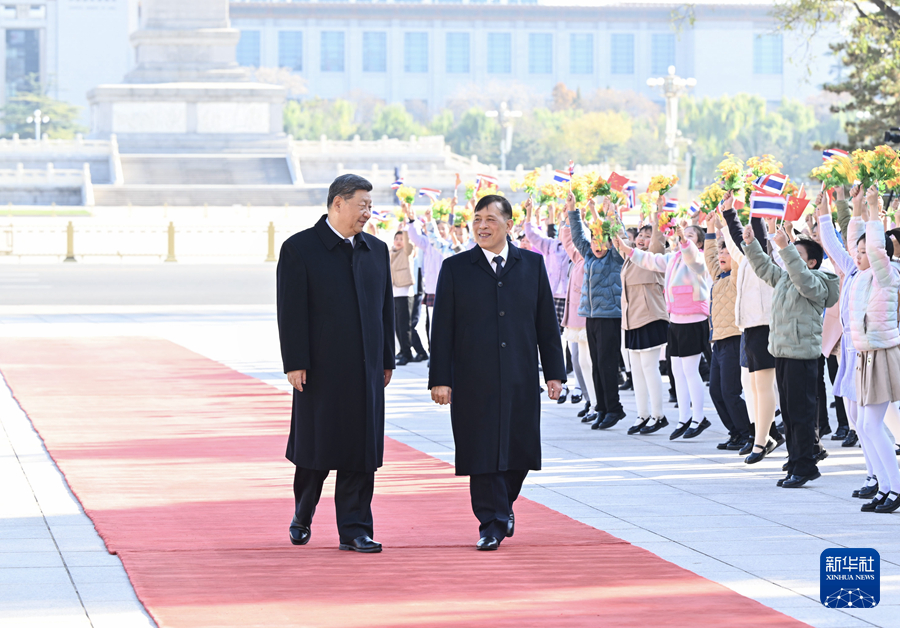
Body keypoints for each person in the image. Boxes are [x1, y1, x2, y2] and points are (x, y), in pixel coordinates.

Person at [428, 194, 566, 551]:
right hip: (472, 378)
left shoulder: (532, 265)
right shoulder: (456, 268)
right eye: (477, 219)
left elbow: (546, 324)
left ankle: (503, 505)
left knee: (521, 450)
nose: (482, 226)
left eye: (490, 219)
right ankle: (491, 523)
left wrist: (554, 373)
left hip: (521, 375)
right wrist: (440, 379)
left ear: (509, 224)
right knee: (481, 451)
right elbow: (441, 329)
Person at [276, 174, 395, 553]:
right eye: (362, 205)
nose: (367, 213)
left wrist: (386, 359)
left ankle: (355, 529)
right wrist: (295, 362)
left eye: (370, 206)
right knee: (317, 450)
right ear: (338, 203)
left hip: (366, 369)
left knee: (361, 451)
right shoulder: (300, 249)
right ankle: (303, 512)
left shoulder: (376, 250)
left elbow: (386, 309)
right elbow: (290, 312)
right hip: (320, 370)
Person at [742, 220, 839, 488]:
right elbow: (764, 268)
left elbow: (804, 281)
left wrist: (785, 247)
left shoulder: (817, 280)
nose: (789, 256)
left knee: (801, 415)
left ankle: (806, 466)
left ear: (811, 262)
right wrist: (751, 244)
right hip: (782, 352)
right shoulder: (787, 277)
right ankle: (795, 462)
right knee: (788, 415)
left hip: (802, 355)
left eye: (796, 253)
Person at [625, 201, 712, 440]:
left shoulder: (699, 258)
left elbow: (690, 254)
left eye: (691, 235)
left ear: (699, 243)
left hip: (693, 319)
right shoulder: (673, 258)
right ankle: (684, 418)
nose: (684, 237)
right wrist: (626, 249)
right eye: (683, 234)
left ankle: (699, 417)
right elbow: (650, 260)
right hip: (675, 320)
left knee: (690, 370)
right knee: (677, 371)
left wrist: (683, 238)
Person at [719, 196, 783, 462]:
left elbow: (759, 235)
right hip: (749, 328)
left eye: (752, 234)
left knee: (764, 386)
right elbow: (737, 238)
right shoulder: (746, 258)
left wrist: (757, 208)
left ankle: (761, 442)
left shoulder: (768, 259)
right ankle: (763, 437)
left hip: (765, 326)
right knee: (755, 387)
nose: (746, 238)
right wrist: (728, 212)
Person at [848, 186, 900, 512]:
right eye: (859, 251)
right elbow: (851, 242)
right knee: (865, 425)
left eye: (864, 251)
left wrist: (873, 210)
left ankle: (895, 489)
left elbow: (878, 250)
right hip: (865, 354)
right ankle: (884, 487)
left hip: (881, 353)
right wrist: (859, 209)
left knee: (871, 425)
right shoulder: (861, 276)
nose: (859, 255)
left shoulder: (887, 275)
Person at [567, 194, 627, 430]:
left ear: (610, 244)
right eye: (594, 241)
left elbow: (618, 234)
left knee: (607, 364)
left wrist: (610, 212)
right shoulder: (589, 255)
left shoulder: (615, 257)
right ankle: (601, 407)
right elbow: (577, 236)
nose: (597, 245)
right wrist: (573, 210)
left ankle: (614, 409)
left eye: (603, 241)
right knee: (596, 364)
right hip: (591, 317)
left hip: (609, 317)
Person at [612, 223, 669, 434]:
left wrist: (657, 213)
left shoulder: (654, 256)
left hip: (650, 317)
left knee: (649, 367)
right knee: (636, 370)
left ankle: (658, 415)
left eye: (647, 236)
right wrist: (609, 213)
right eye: (640, 235)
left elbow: (658, 240)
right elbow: (618, 237)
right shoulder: (630, 256)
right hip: (631, 319)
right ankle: (642, 415)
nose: (642, 239)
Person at [703, 214, 752, 450]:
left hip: (734, 339)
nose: (721, 255)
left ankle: (747, 433)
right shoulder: (718, 277)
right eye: (721, 252)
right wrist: (709, 227)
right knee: (716, 391)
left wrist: (725, 228)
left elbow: (738, 255)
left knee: (730, 392)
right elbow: (709, 255)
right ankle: (735, 432)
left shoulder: (736, 277)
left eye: (726, 252)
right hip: (718, 341)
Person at [559, 210, 597, 423]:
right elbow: (568, 241)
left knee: (589, 362)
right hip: (576, 321)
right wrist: (568, 219)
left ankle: (597, 403)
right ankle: (590, 401)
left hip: (589, 319)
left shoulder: (593, 257)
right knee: (579, 361)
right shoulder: (579, 258)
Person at [391, 226, 428, 365]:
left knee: (405, 326)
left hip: (405, 294)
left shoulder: (407, 252)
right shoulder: (391, 252)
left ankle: (407, 354)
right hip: (394, 293)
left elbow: (408, 245)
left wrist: (405, 231)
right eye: (396, 238)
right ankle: (403, 350)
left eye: (401, 239)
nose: (398, 241)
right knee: (397, 326)